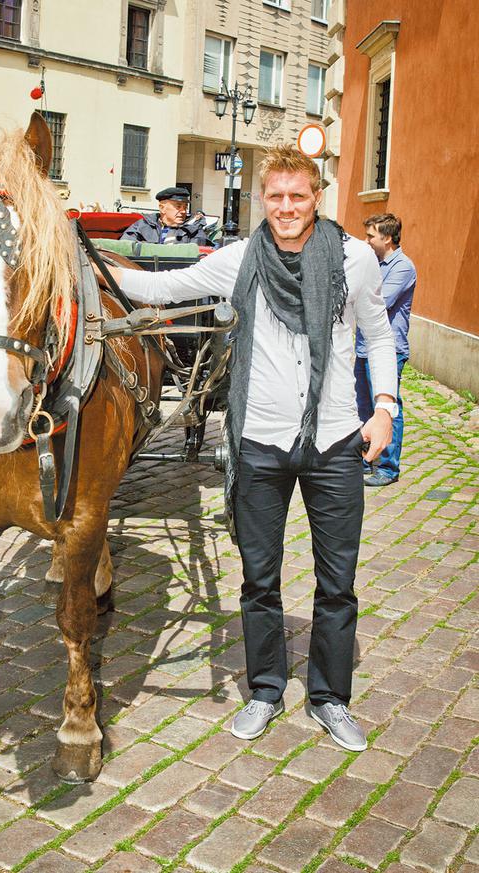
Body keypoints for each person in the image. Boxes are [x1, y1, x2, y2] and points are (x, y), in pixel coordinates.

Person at [106, 146, 397, 752]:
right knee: (259, 577)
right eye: (276, 196)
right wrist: (84, 264)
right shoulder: (240, 259)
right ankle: (266, 689)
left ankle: (330, 698)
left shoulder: (354, 260)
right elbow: (160, 289)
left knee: (337, 580)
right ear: (262, 199)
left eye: (298, 196)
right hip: (259, 442)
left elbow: (377, 331)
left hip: (337, 438)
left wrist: (387, 410)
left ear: (317, 196)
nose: (287, 207)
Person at [354, 214, 416, 487]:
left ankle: (389, 468)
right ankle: (367, 460)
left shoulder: (403, 267)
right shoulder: (374, 264)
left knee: (388, 409)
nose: (366, 240)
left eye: (371, 236)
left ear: (387, 237)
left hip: (389, 350)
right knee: (363, 407)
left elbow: (379, 302)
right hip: (363, 347)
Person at [121, 187, 213, 245]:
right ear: (162, 208)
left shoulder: (194, 229)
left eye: (185, 207)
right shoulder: (142, 225)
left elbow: (197, 256)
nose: (183, 211)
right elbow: (124, 246)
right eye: (178, 206)